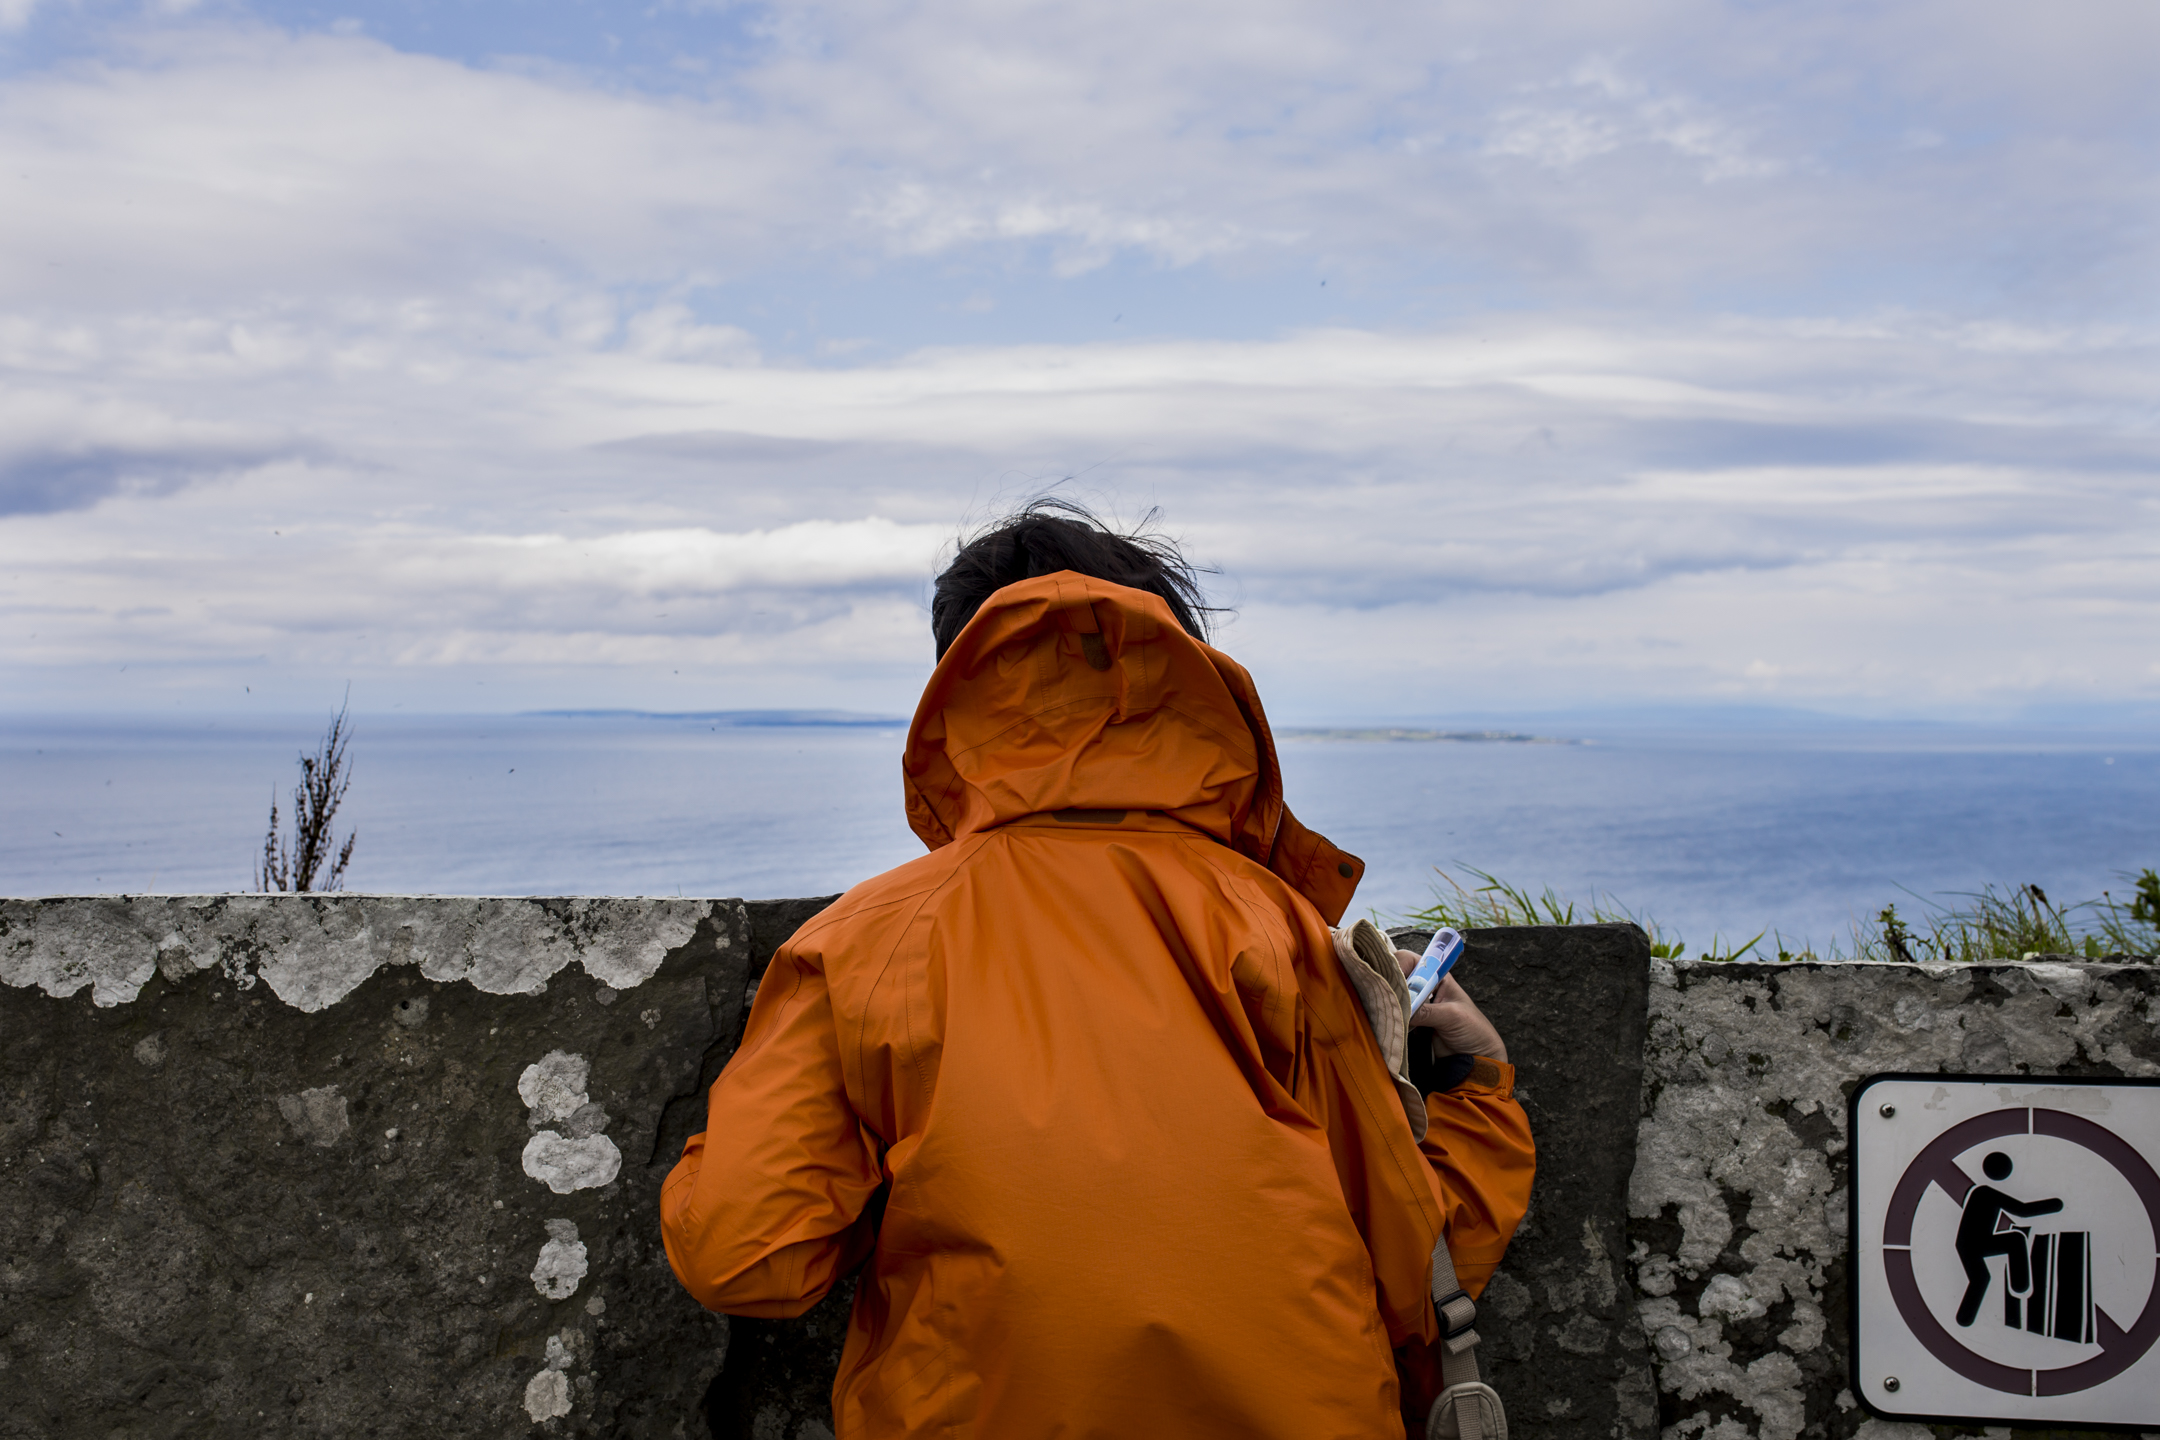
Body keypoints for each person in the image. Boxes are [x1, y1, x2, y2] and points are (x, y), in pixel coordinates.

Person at [661, 501, 1535, 1438]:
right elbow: (1413, 1264)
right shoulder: (1276, 925)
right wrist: (1477, 1091)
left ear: (959, 680)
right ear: (1179, 671)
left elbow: (744, 1253)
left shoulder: (863, 943)